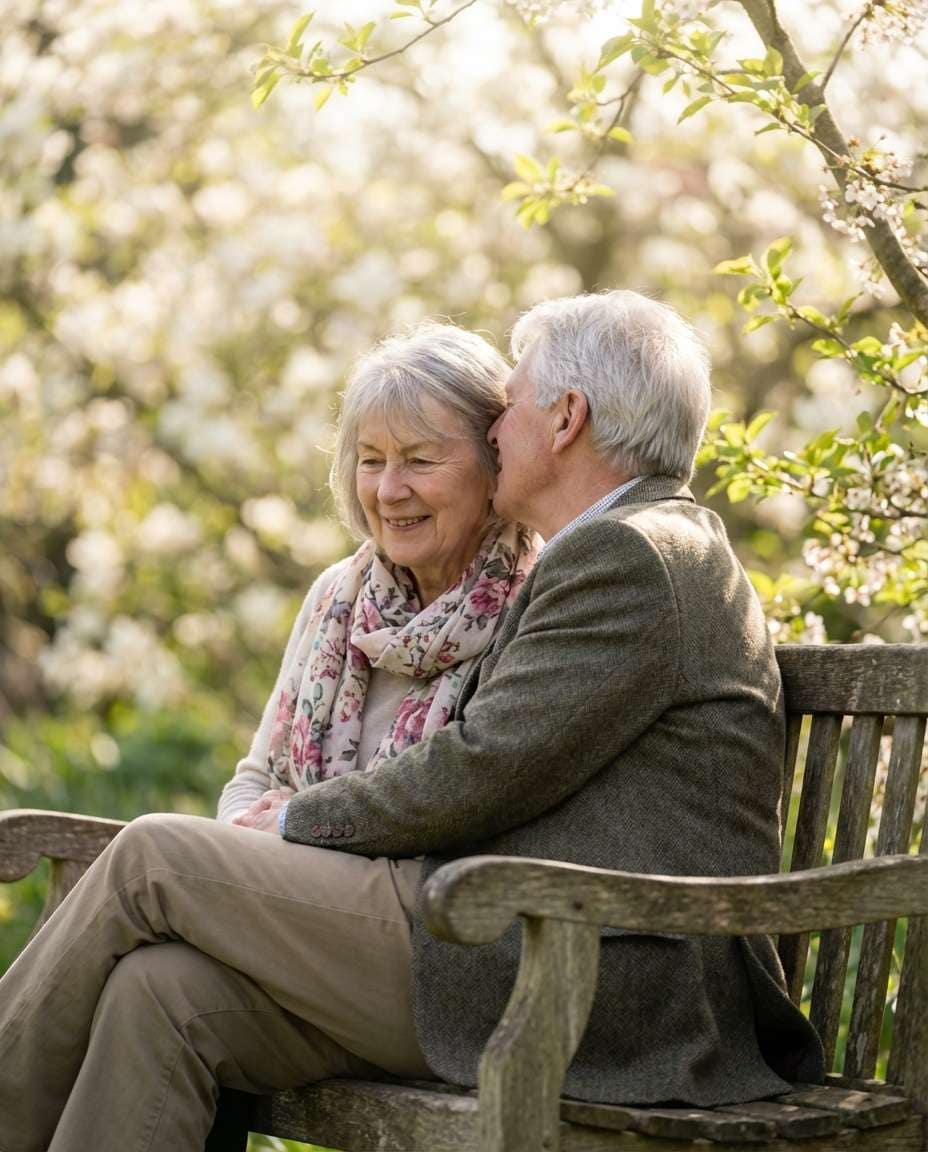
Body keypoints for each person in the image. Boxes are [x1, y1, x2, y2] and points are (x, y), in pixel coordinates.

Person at [0, 322, 538, 1152]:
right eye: (370, 459)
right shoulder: (340, 598)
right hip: (314, 942)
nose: (389, 490)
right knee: (158, 990)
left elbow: (470, 803)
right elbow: (252, 784)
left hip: (442, 964)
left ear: (495, 462)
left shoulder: (537, 601)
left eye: (422, 460)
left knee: (154, 853)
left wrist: (281, 848)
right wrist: (266, 873)